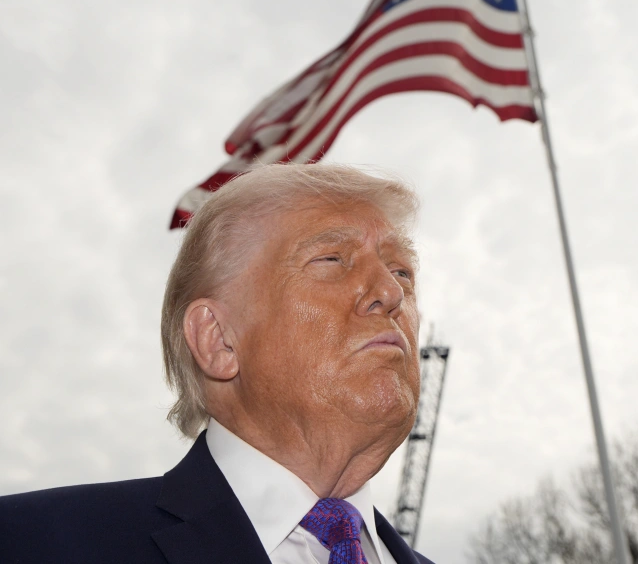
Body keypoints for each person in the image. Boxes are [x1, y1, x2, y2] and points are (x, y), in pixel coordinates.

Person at [0, 163, 435, 564]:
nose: (391, 292)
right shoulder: (27, 542)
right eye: (332, 259)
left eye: (402, 272)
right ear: (218, 340)